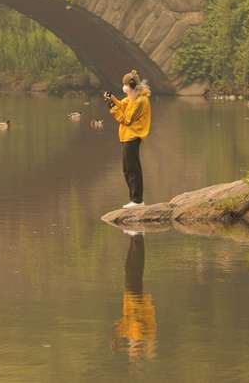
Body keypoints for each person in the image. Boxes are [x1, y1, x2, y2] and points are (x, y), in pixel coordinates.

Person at [104, 70, 151, 209]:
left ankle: (137, 200)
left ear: (132, 86)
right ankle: (133, 199)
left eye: (125, 85)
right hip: (126, 137)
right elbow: (123, 105)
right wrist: (112, 99)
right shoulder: (132, 97)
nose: (124, 88)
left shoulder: (141, 100)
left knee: (133, 168)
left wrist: (112, 108)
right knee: (126, 169)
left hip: (133, 137)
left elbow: (126, 119)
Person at [111, 232, 157, 359]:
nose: (131, 344)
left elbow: (116, 329)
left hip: (131, 296)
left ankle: (135, 237)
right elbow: (149, 345)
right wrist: (139, 346)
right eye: (133, 346)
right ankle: (137, 237)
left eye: (131, 346)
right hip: (135, 297)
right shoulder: (139, 334)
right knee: (134, 268)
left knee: (130, 268)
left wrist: (120, 346)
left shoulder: (132, 333)